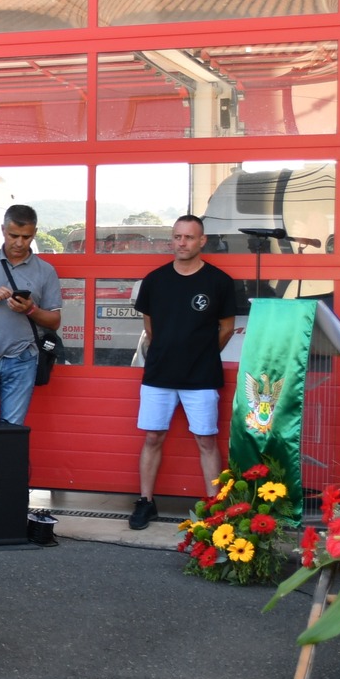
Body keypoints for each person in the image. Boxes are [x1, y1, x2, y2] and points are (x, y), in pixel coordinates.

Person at [129, 216, 238, 529]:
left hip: (201, 376)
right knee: (153, 437)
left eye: (189, 237)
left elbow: (227, 328)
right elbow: (150, 327)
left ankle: (215, 509)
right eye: (177, 236)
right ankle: (146, 502)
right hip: (159, 374)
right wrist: (170, 352)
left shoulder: (219, 282)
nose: (182, 242)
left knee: (206, 440)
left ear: (202, 241)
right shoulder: (155, 280)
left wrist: (201, 354)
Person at [0, 203, 62, 424]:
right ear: (3, 230)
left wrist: (30, 309)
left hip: (22, 360)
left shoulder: (45, 271)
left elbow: (55, 321)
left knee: (13, 431)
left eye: (26, 237)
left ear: (35, 233)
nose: (19, 243)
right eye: (13, 235)